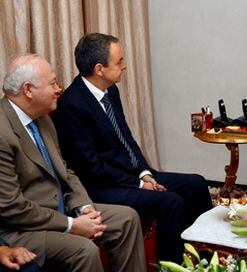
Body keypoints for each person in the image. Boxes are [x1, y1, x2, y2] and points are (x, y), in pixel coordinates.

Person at [52, 33, 213, 262]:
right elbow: (91, 168)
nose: (124, 65)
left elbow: (126, 137)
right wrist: (139, 184)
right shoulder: (72, 105)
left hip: (130, 174)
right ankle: (173, 265)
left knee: (196, 183)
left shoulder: (110, 90)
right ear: (99, 68)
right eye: (119, 61)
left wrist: (145, 173)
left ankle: (204, 256)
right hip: (101, 186)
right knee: (171, 202)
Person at [0, 54, 147, 272]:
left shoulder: (43, 118)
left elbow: (64, 171)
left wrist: (84, 207)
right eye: (52, 84)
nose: (59, 89)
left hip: (63, 208)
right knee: (84, 250)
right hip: (25, 228)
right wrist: (71, 225)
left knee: (127, 218)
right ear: (28, 90)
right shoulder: (3, 134)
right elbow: (13, 208)